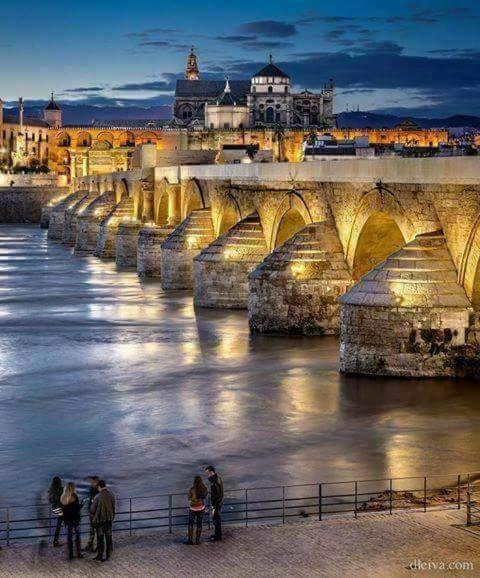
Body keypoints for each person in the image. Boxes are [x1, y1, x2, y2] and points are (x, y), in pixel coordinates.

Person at [90, 480, 115, 562]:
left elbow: (92, 510)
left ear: (99, 487)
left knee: (100, 538)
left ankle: (100, 556)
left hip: (100, 520)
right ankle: (108, 555)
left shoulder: (97, 496)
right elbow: (113, 507)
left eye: (98, 487)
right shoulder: (111, 494)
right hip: (109, 519)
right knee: (108, 537)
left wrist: (92, 502)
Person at [60, 482, 83, 560]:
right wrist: (81, 505)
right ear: (72, 488)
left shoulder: (63, 497)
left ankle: (70, 555)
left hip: (67, 520)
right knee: (77, 536)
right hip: (75, 519)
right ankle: (79, 553)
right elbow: (76, 508)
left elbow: (64, 511)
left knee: (69, 537)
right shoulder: (74, 496)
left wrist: (64, 520)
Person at [185, 476, 208, 545]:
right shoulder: (204, 489)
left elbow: (188, 497)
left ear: (194, 482)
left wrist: (192, 499)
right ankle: (197, 541)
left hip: (193, 509)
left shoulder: (192, 489)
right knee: (199, 524)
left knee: (190, 524)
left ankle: (190, 540)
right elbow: (205, 495)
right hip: (201, 508)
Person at [205, 466, 224, 541]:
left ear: (211, 472)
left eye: (207, 473)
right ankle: (217, 534)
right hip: (218, 503)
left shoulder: (215, 481)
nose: (207, 475)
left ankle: (218, 536)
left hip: (216, 504)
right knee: (216, 518)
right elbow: (218, 493)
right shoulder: (217, 479)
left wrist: (213, 506)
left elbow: (217, 494)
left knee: (216, 519)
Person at [83, 476, 99, 552]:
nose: (91, 483)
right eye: (91, 482)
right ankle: (90, 545)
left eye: (92, 482)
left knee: (97, 529)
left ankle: (97, 546)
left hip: (96, 513)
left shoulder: (97, 490)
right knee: (92, 529)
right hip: (91, 512)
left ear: (96, 482)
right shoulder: (92, 489)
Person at [48, 476, 63, 547]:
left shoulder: (50, 490)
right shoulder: (60, 489)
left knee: (59, 523)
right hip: (60, 508)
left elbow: (50, 500)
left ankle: (55, 540)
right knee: (62, 523)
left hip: (54, 508)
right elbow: (62, 499)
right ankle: (55, 541)